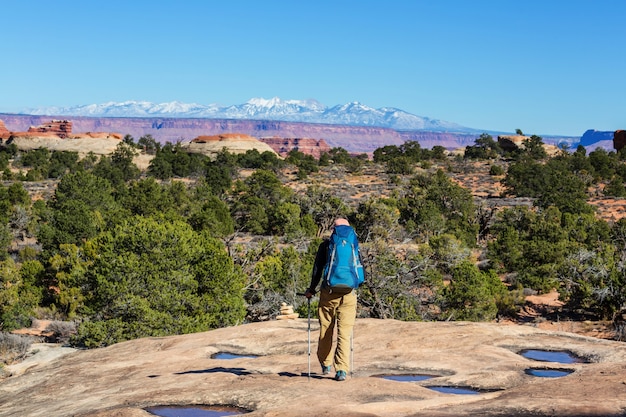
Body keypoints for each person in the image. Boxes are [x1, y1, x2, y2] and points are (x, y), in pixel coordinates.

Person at [304, 217, 364, 381]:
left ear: (333, 229)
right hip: (348, 295)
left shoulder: (327, 245)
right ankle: (342, 370)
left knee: (326, 329)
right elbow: (360, 270)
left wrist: (311, 290)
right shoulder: (353, 244)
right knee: (344, 333)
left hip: (328, 293)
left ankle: (326, 364)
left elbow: (317, 269)